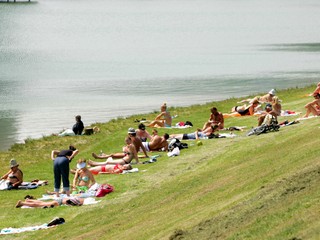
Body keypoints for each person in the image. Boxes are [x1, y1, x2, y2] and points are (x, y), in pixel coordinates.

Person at [15, 196, 84, 208]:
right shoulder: (80, 201)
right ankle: (22, 203)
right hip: (59, 203)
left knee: (41, 203)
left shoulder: (80, 199)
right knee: (41, 204)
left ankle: (28, 201)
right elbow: (69, 202)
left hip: (60, 201)